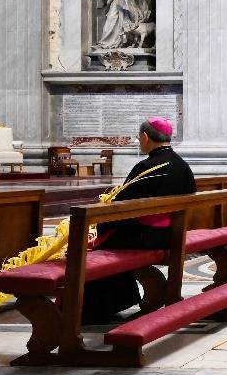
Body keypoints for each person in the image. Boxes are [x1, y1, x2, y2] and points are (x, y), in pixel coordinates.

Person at [82, 117, 195, 324]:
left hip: (147, 236)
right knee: (110, 236)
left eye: (139, 137)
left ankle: (97, 310)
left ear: (145, 137)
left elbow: (121, 206)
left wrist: (100, 227)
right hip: (172, 233)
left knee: (99, 244)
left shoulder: (147, 167)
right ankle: (122, 299)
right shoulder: (182, 166)